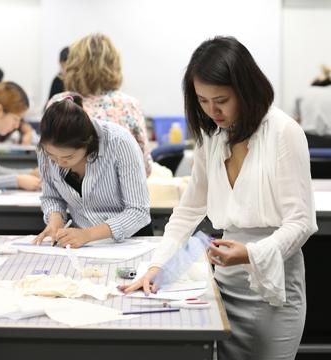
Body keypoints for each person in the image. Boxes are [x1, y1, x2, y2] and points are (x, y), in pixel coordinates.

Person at [120, 36, 318, 360]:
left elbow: (301, 222)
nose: (212, 111)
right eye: (202, 100)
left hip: (273, 287)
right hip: (224, 284)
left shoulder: (284, 132)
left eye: (221, 100)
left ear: (246, 89)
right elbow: (188, 210)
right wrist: (158, 264)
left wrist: (251, 254)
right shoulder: (212, 135)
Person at [34, 94, 152, 248]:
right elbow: (51, 197)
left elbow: (138, 211)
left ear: (88, 142)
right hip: (82, 245)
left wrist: (88, 234)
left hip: (129, 242)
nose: (60, 163)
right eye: (52, 157)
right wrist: (55, 219)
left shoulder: (119, 142)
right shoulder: (45, 148)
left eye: (68, 157)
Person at [48, 33, 152, 176]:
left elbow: (47, 162)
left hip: (69, 194)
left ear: (73, 64)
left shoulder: (59, 103)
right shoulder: (128, 105)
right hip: (119, 194)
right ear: (113, 65)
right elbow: (145, 167)